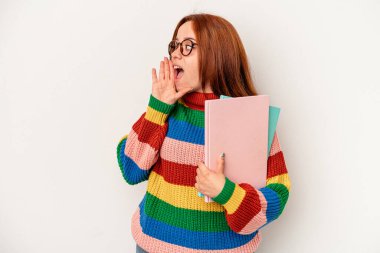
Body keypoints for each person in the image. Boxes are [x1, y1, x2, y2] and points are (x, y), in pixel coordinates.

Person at [116, 13, 291, 253]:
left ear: (217, 55)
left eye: (188, 46)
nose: (175, 53)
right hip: (151, 246)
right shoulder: (166, 108)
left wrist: (227, 193)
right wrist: (157, 107)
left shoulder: (250, 117)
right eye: (174, 45)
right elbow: (131, 169)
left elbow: (278, 192)